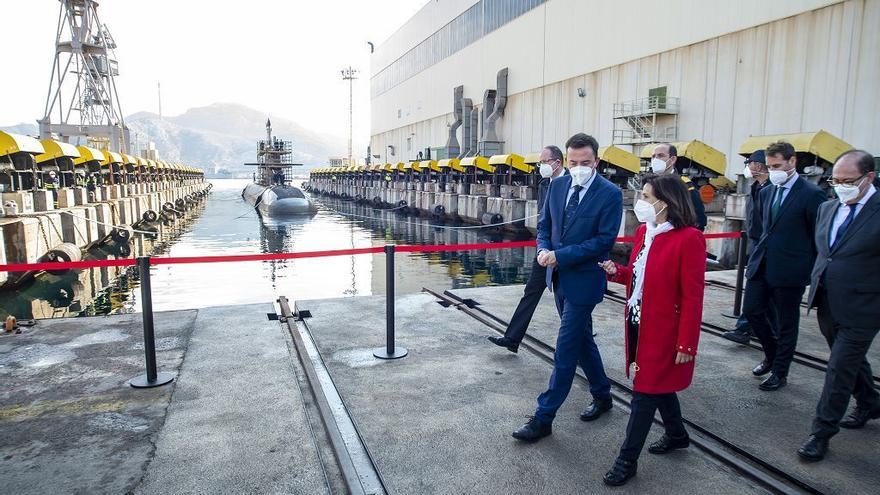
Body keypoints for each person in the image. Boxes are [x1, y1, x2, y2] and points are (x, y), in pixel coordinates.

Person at [511, 133, 622, 442]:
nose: (579, 167)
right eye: (573, 162)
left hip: (585, 280)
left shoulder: (609, 194)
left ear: (597, 161)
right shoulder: (558, 185)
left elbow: (603, 241)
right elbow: (545, 225)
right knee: (583, 340)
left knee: (566, 347)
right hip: (557, 278)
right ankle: (602, 394)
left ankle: (544, 417)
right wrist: (542, 250)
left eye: (585, 163)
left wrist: (559, 255)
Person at [599, 173, 706, 486]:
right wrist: (617, 272)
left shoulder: (689, 238)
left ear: (667, 202)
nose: (641, 203)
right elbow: (639, 277)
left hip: (664, 331)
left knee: (644, 393)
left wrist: (687, 344)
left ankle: (626, 460)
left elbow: (692, 295)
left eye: (646, 197)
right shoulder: (645, 231)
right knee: (658, 385)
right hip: (637, 321)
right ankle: (676, 434)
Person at [797, 150, 880, 461]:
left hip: (865, 306)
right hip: (828, 300)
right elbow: (826, 253)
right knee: (848, 360)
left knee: (839, 368)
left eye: (848, 181)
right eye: (836, 180)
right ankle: (871, 401)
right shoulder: (828, 207)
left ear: (868, 178)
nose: (840, 186)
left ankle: (821, 432)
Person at [742, 141, 826, 391]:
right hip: (763, 263)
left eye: (777, 165)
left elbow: (817, 236)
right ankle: (772, 353)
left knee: (787, 323)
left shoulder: (811, 194)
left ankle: (780, 370)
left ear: (792, 162)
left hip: (791, 269)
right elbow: (763, 229)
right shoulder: (767, 191)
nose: (773, 170)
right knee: (753, 311)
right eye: (769, 166)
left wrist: (808, 268)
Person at [488, 145, 565, 352]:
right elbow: (543, 221)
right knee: (531, 291)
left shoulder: (571, 184)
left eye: (544, 161)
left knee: (567, 299)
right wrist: (542, 249)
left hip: (565, 253)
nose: (540, 166)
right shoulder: (544, 185)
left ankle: (580, 341)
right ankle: (512, 338)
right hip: (545, 250)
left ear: (557, 162)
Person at [723, 150, 773, 344]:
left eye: (749, 163)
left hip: (766, 246)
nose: (748, 167)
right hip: (755, 244)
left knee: (767, 293)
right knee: (757, 290)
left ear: (758, 165)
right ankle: (745, 327)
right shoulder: (756, 187)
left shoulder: (770, 189)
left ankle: (755, 328)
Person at [649, 143, 707, 231]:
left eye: (660, 156)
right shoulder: (649, 184)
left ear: (672, 159)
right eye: (653, 156)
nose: (655, 159)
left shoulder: (684, 185)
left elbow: (699, 219)